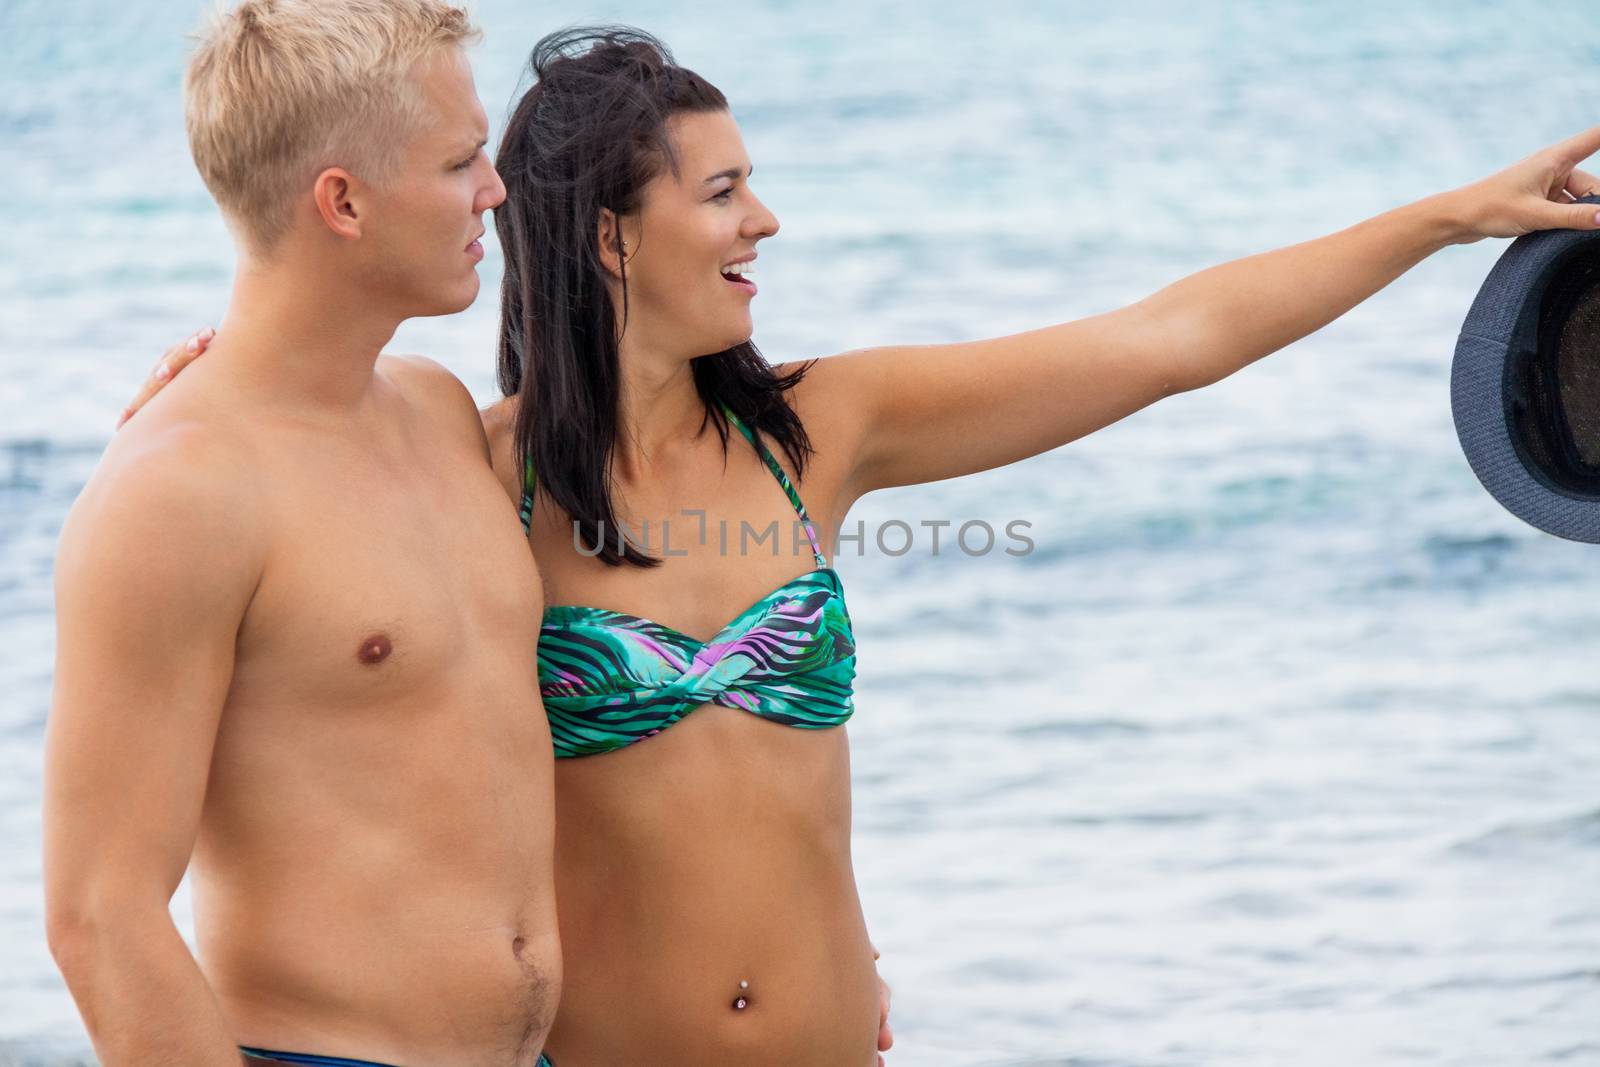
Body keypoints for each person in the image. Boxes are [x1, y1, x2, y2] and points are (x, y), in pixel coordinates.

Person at [128, 25, 1600, 1067]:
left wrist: (1446, 217)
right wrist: (186, 403)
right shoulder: (476, 466)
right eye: (720, 193)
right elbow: (291, 478)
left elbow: (1168, 339)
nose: (764, 219)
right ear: (610, 238)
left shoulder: (818, 432)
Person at [45, 3, 562, 1065]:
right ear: (343, 202)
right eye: (462, 161)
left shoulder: (438, 411)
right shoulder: (176, 491)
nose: (495, 191)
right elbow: (100, 914)